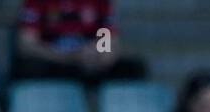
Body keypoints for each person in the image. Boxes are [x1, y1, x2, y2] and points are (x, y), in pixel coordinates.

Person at [12, 0, 146, 86]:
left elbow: (109, 40)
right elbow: (26, 44)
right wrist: (66, 56)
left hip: (86, 63)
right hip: (53, 63)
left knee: (133, 68)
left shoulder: (101, 3)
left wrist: (101, 54)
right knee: (28, 68)